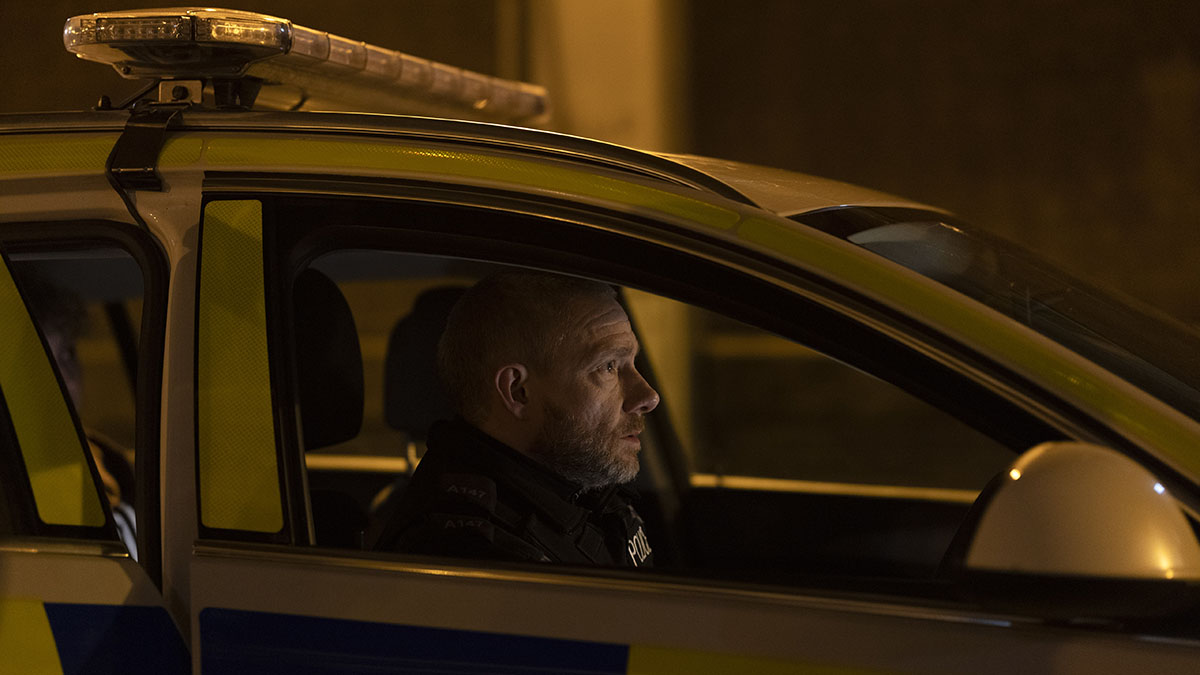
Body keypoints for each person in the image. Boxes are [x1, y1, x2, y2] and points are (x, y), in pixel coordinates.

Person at [372, 271, 660, 566]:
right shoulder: (472, 555)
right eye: (609, 366)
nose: (648, 396)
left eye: (632, 362)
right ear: (518, 391)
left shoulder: (575, 477)